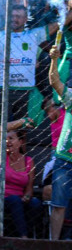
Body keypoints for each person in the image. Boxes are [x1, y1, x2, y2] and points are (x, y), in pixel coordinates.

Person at [0, 4, 54, 121]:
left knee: (22, 129)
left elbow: (55, 26)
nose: (15, 19)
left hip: (25, 91)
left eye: (19, 16)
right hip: (3, 89)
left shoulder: (33, 35)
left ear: (26, 19)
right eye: (12, 15)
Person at [0, 129, 42, 238]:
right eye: (5, 139)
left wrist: (27, 196)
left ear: (20, 142)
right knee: (14, 200)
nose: (7, 141)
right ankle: (24, 238)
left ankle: (34, 236)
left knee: (35, 203)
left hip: (18, 200)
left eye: (11, 138)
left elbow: (29, 188)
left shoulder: (28, 161)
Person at [48, 45, 72, 240]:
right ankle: (53, 244)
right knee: (58, 205)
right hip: (64, 158)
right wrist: (54, 60)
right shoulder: (71, 97)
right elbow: (55, 82)